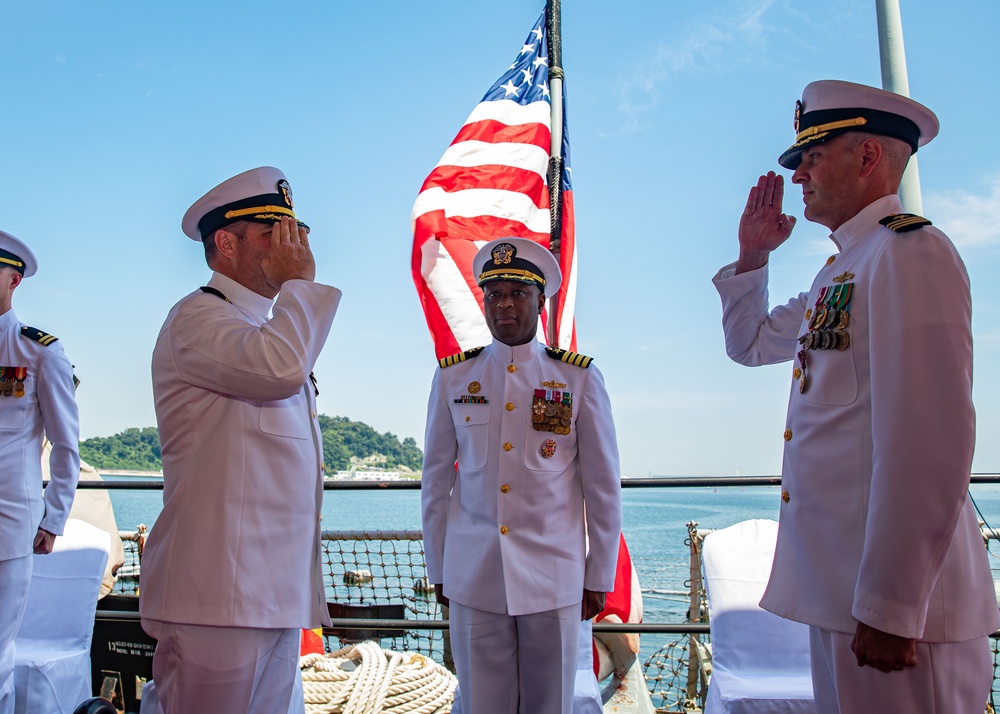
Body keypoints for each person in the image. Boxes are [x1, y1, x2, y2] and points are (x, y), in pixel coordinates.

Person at [712, 79, 1000, 713]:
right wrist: (752, 255)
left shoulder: (909, 252)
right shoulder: (842, 271)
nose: (799, 176)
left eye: (813, 157)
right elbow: (750, 344)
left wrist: (893, 604)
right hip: (844, 595)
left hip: (900, 610)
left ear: (867, 156)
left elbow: (928, 443)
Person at [139, 167, 342, 714]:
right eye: (274, 232)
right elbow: (279, 370)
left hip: (268, 593)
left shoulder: (265, 328)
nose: (292, 245)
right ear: (226, 244)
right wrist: (300, 286)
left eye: (294, 231)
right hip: (217, 597)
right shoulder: (197, 319)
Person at [421, 237, 622, 714]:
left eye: (517, 293)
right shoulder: (454, 378)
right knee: (481, 704)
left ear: (540, 301)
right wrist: (439, 569)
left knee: (549, 706)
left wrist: (599, 574)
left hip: (553, 577)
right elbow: (435, 484)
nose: (505, 304)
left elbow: (602, 487)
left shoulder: (576, 378)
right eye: (494, 294)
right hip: (474, 575)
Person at [0, 230, 80, 714]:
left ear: (14, 281)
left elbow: (66, 445)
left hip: (7, 523)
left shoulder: (39, 352)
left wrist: (53, 517)